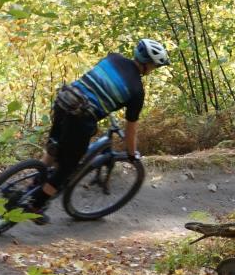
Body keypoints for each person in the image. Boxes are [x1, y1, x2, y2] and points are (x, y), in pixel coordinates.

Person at [23, 38, 170, 223]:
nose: (153, 70)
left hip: (65, 100)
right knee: (67, 167)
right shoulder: (136, 91)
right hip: (80, 117)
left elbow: (97, 84)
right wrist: (132, 154)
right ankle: (35, 205)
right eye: (155, 66)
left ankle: (28, 187)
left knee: (54, 147)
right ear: (148, 65)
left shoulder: (113, 58)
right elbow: (131, 129)